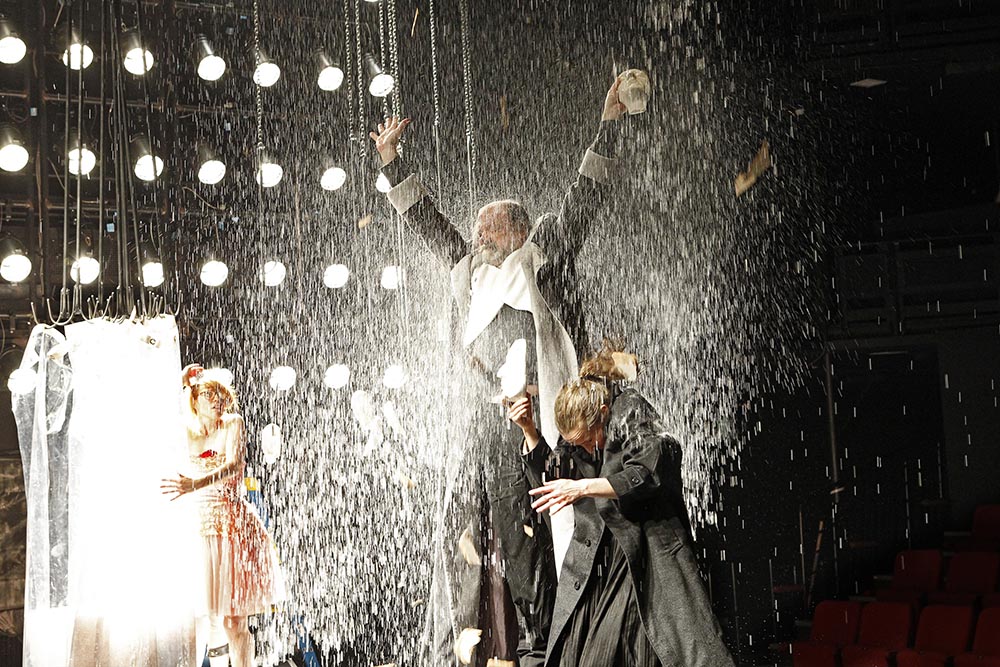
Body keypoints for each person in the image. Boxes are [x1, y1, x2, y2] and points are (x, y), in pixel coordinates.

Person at [370, 76, 633, 666]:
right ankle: (514, 643)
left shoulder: (543, 256)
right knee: (510, 539)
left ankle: (563, 640)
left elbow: (583, 198)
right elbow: (428, 224)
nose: (479, 236)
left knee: (559, 529)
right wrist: (391, 160)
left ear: (518, 231)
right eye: (478, 229)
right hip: (494, 426)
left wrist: (609, 123)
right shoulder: (469, 272)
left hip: (549, 423)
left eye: (490, 228)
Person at [506, 344, 735, 667]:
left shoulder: (630, 409)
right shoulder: (586, 431)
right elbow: (558, 472)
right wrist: (529, 430)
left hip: (640, 554)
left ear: (602, 414)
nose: (584, 448)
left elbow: (648, 472)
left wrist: (584, 487)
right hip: (599, 560)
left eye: (587, 440)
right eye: (576, 445)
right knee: (578, 655)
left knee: (629, 650)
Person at [161, 364, 284, 667]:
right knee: (201, 616)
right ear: (195, 399)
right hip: (199, 527)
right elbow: (162, 415)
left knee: (233, 619)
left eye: (219, 394)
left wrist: (194, 484)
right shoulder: (187, 431)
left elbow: (234, 465)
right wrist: (182, 381)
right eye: (207, 394)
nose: (215, 400)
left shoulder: (233, 423)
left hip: (231, 527)